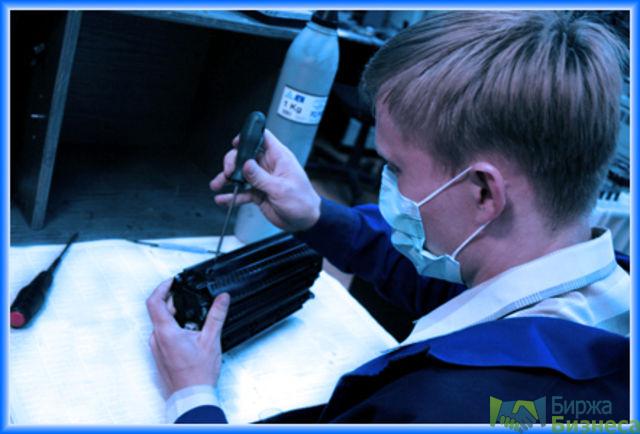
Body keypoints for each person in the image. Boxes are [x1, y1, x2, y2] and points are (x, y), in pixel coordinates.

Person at [146, 11, 630, 424]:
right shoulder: (598, 293)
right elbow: (437, 284)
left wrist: (192, 397)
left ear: (484, 192)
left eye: (395, 168)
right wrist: (314, 215)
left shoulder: (438, 407)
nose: (388, 185)